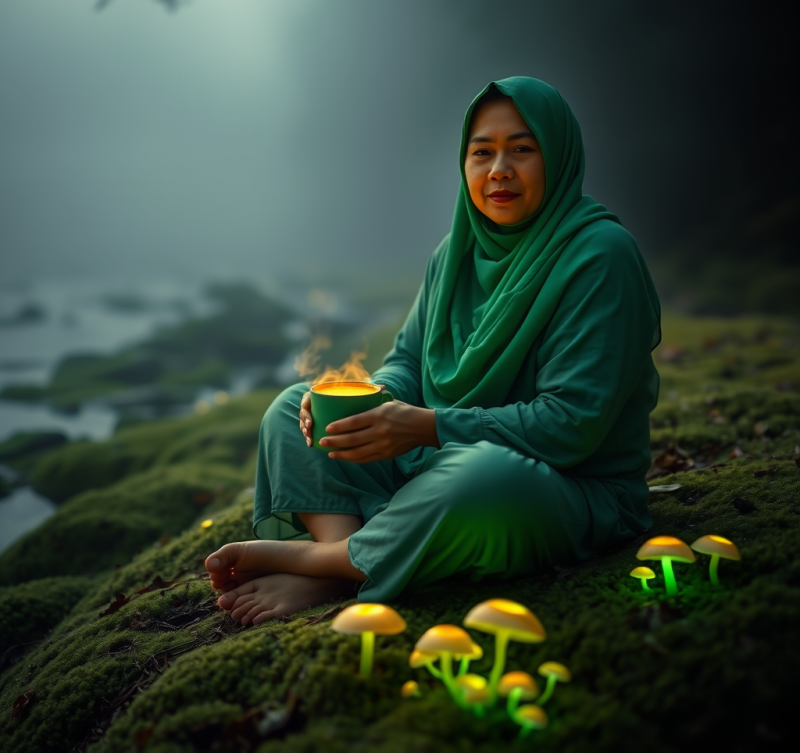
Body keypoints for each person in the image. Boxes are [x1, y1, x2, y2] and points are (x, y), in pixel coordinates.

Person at [205, 76, 661, 626]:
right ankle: (343, 561)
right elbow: (405, 362)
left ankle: (330, 561)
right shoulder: (455, 251)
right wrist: (370, 404)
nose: (498, 171)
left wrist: (425, 427)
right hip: (438, 462)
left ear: (558, 156)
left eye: (522, 149)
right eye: (481, 153)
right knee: (289, 407)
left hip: (565, 490)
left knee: (486, 479)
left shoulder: (600, 255)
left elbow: (569, 425)